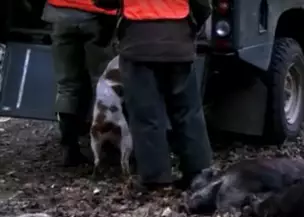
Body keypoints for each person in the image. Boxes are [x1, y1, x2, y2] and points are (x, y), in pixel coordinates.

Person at [95, 0, 213, 191]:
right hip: (178, 44)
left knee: (146, 114)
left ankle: (156, 178)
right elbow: (203, 6)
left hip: (138, 45)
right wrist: (190, 28)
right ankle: (198, 172)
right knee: (188, 111)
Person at [42, 0, 117, 166]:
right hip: (98, 16)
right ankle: (104, 148)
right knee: (101, 84)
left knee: (66, 86)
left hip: (60, 13)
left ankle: (69, 148)